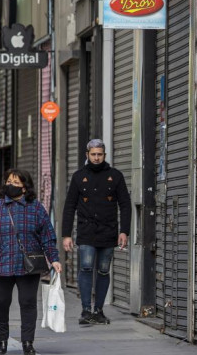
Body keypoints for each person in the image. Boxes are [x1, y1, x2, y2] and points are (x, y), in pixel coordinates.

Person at [0, 169, 61, 355]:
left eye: (15, 182)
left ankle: (28, 342)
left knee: (28, 303)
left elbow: (47, 236)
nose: (11, 185)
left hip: (28, 265)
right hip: (1, 264)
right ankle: (2, 340)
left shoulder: (35, 207)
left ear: (24, 187)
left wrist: (53, 259)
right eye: (8, 181)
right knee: (0, 303)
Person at [62, 139, 130, 325]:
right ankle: (85, 310)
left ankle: (99, 310)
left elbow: (125, 205)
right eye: (93, 154)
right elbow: (69, 206)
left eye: (100, 154)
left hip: (108, 232)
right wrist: (66, 234)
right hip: (86, 231)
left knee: (103, 271)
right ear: (87, 155)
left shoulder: (115, 176)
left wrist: (124, 231)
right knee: (85, 267)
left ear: (105, 155)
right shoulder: (78, 177)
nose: (97, 157)